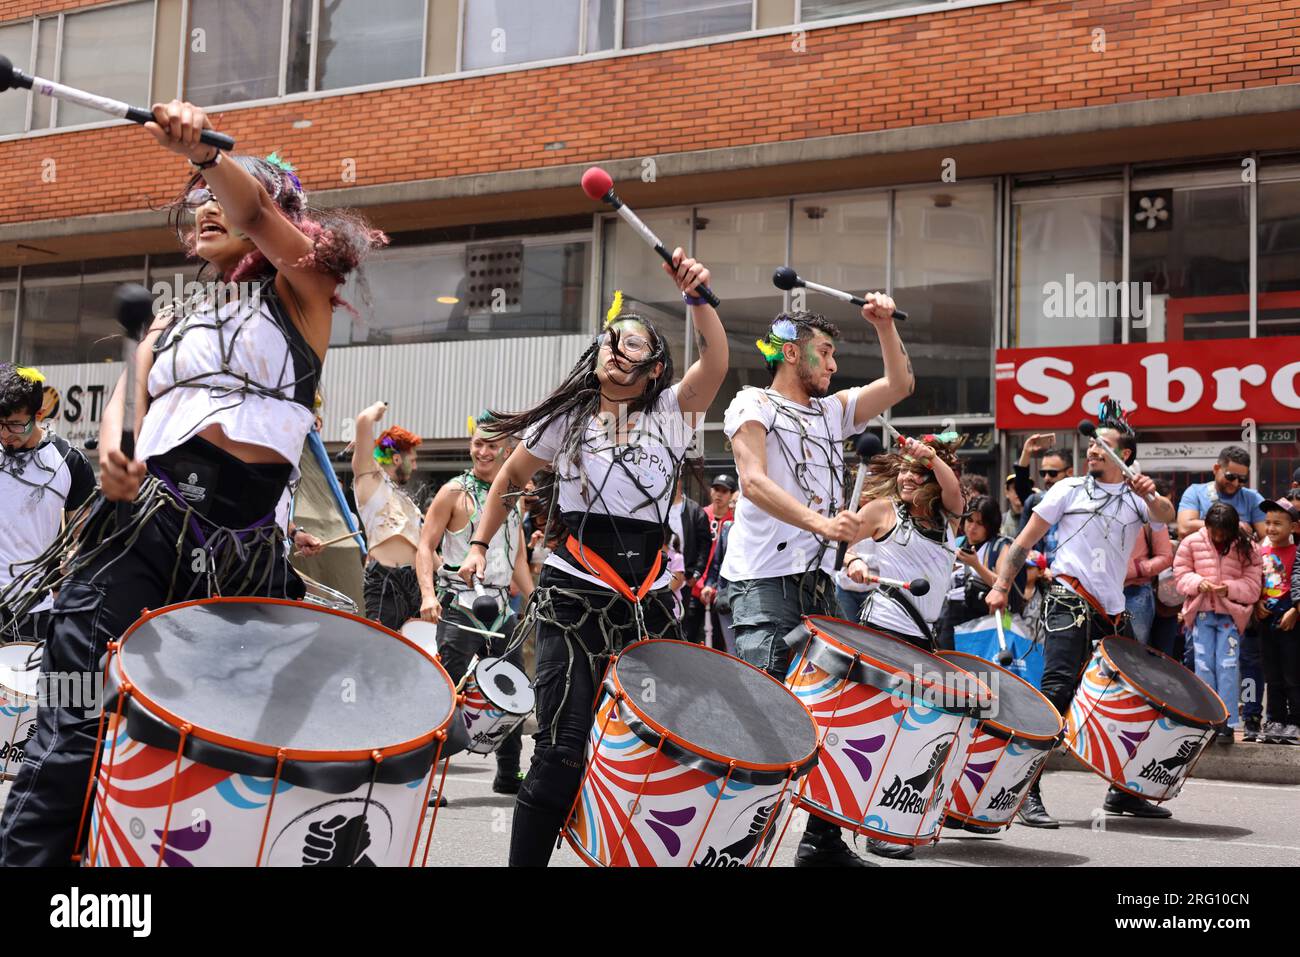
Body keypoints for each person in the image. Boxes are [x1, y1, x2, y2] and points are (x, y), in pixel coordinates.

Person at [0, 100, 386, 866]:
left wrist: (205, 155)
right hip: (143, 531)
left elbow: (251, 201)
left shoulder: (303, 295)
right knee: (77, 718)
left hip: (245, 555)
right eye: (198, 202)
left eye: (224, 199)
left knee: (223, 750)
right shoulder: (173, 317)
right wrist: (114, 454)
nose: (207, 207)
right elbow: (125, 396)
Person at [458, 250, 728, 867]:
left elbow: (715, 358)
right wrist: (478, 543)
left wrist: (697, 298)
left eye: (632, 342)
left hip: (649, 606)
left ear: (654, 367)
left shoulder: (673, 412)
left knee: (650, 754)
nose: (616, 347)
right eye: (611, 339)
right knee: (559, 751)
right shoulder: (569, 418)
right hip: (575, 593)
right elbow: (507, 480)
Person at [723, 298, 913, 867]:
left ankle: (820, 843)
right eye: (824, 352)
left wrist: (882, 325)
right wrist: (823, 524)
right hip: (761, 582)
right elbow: (753, 482)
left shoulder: (833, 412)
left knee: (832, 711)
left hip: (816, 585)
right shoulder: (751, 402)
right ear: (790, 351)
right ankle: (729, 845)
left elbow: (900, 383)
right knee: (765, 716)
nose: (832, 365)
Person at [986, 402, 1177, 827]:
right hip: (1069, 602)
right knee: (1055, 694)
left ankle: (1124, 793)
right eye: (1091, 446)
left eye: (1103, 447)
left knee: (1129, 702)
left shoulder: (1137, 498)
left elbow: (1166, 516)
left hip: (1114, 611)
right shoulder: (1068, 489)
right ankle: (1022, 792)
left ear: (1123, 456)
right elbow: (1022, 541)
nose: (1092, 452)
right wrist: (1001, 585)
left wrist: (1151, 493)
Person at [845, 433, 965, 857]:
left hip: (923, 638)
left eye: (917, 472)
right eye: (904, 470)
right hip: (885, 628)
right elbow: (848, 549)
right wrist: (857, 562)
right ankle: (874, 827)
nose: (907, 478)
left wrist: (930, 456)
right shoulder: (881, 510)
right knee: (887, 728)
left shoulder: (948, 518)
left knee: (913, 733)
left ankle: (888, 818)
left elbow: (954, 491)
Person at [416, 411, 533, 794]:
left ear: (507, 450)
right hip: (461, 605)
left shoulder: (514, 497)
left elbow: (516, 559)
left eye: (491, 445)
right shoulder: (452, 492)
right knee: (447, 693)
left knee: (514, 690)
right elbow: (424, 545)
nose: (483, 451)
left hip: (501, 610)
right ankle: (428, 778)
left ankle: (508, 772)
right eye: (477, 443)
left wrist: (534, 598)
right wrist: (429, 595)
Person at [0, 365, 96, 644]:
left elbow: (84, 538)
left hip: (36, 608)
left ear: (39, 415)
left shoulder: (69, 461)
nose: (6, 435)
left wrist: (74, 559)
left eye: (16, 424)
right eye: (0, 424)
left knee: (29, 688)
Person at [1177, 447, 1267, 740]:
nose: (1236, 484)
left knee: (1228, 665)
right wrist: (1196, 583)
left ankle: (1227, 722)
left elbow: (1254, 581)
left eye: (1242, 479)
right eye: (1231, 476)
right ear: (1217, 468)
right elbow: (1180, 573)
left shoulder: (1245, 542)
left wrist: (1229, 588)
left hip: (1231, 614)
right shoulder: (1193, 538)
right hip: (1201, 612)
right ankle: (1207, 719)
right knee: (1202, 665)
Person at [351, 402, 424, 631]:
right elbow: (363, 420)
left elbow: (421, 544)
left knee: (416, 652)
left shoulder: (407, 502)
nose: (415, 466)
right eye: (412, 460)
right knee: (382, 652)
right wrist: (377, 409)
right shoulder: (370, 482)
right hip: (384, 580)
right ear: (396, 459)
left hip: (415, 583)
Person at [936, 493, 1026, 653]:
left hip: (985, 620)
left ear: (990, 525)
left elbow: (1003, 584)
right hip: (949, 618)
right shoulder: (956, 543)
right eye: (969, 520)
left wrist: (976, 565)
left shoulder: (999, 546)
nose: (972, 527)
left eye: (980, 523)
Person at [1257, 499, 1300, 745]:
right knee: (1271, 675)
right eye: (1268, 523)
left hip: (1291, 620)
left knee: (1292, 674)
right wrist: (1255, 604)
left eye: (1278, 523)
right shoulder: (1260, 553)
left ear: (1293, 527)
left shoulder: (1297, 553)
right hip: (1266, 619)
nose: (1271, 529)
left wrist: (1295, 610)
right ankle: (1274, 720)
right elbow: (1254, 582)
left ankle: (1295, 722)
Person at [682, 473, 736, 648]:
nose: (719, 494)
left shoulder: (734, 521)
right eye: (716, 489)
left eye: (724, 491)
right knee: (688, 634)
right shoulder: (700, 514)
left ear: (731, 495)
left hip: (720, 590)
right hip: (695, 584)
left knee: (720, 641)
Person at [1124, 498, 1174, 647]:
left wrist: (1135, 569)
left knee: (1135, 650)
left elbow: (1166, 557)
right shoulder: (1095, 509)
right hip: (1098, 592)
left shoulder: (1146, 511)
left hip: (1135, 592)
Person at [668, 476, 711, 642]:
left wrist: (696, 573)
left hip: (684, 576)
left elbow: (704, 546)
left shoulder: (695, 510)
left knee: (683, 621)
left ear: (679, 481)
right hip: (659, 576)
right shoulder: (659, 507)